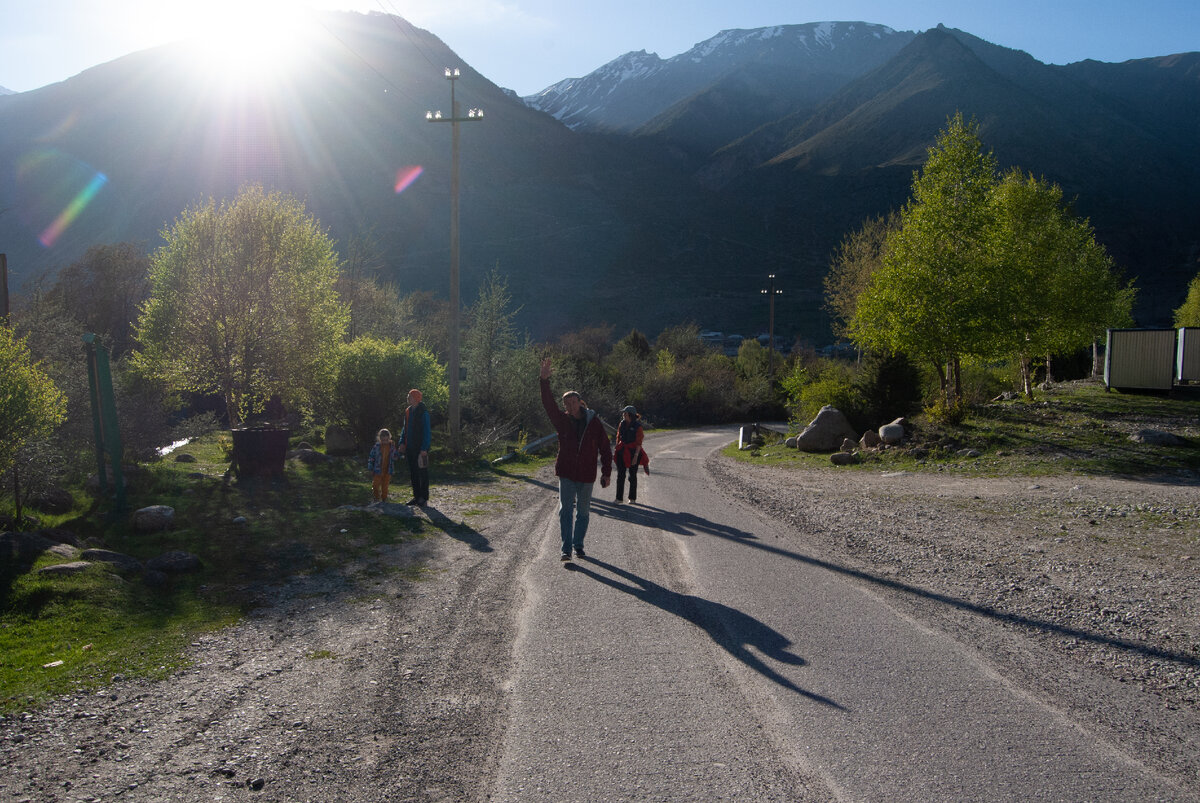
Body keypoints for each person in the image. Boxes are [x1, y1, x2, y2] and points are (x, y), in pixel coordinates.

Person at [540, 357, 612, 560]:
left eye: (573, 402)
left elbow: (605, 449)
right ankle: (566, 549)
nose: (570, 406)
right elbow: (548, 404)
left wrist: (607, 473)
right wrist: (544, 381)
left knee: (583, 512)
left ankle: (578, 545)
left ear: (580, 403)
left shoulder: (594, 423)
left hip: (587, 474)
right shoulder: (562, 421)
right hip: (567, 472)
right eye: (566, 403)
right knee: (565, 511)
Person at [398, 389, 431, 506]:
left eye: (410, 396)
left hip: (420, 447)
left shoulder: (424, 413)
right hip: (410, 446)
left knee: (422, 472)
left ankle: (424, 497)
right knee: (413, 473)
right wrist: (402, 442)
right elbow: (404, 428)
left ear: (416, 398)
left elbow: (427, 432)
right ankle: (416, 497)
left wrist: (424, 448)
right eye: (408, 396)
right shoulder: (408, 411)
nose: (408, 398)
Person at [614, 405, 646, 504]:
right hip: (622, 451)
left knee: (632, 475)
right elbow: (618, 437)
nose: (623, 414)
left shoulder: (638, 427)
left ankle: (632, 498)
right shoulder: (621, 424)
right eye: (623, 413)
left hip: (633, 453)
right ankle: (619, 498)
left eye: (625, 413)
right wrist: (617, 449)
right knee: (620, 475)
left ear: (630, 415)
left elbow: (639, 443)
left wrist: (636, 456)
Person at [367, 428, 398, 503]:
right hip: (377, 470)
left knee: (385, 486)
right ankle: (376, 498)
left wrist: (397, 455)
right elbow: (371, 457)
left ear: (389, 438)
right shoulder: (376, 447)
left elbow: (395, 456)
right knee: (375, 485)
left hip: (388, 470)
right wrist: (370, 468)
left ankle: (384, 499)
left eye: (386, 440)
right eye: (383, 440)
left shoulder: (392, 446)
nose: (384, 442)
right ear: (380, 438)